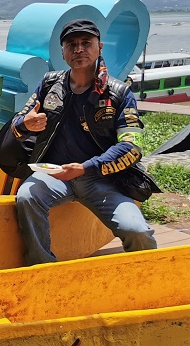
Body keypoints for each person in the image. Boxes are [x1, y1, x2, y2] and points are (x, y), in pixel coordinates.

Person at [10, 18, 157, 265]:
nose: (79, 49)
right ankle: (43, 267)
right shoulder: (49, 84)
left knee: (138, 231)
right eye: (72, 44)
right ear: (63, 53)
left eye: (86, 43)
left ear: (99, 47)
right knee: (27, 196)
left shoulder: (118, 93)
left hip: (101, 179)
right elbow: (17, 121)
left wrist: (86, 167)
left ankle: (149, 276)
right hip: (53, 174)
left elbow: (131, 148)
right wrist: (26, 124)